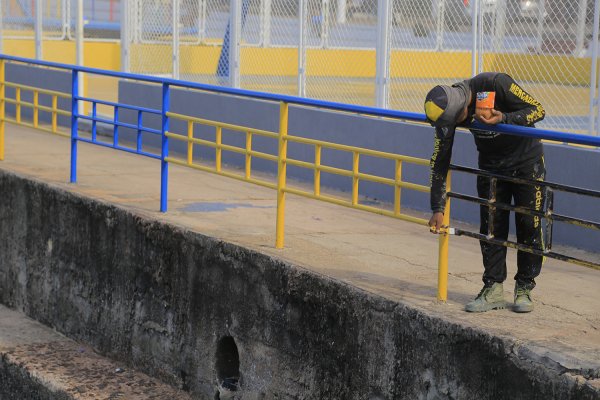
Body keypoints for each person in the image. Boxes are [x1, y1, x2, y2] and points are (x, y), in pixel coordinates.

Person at [423, 72, 546, 313]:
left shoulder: (496, 83)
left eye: (458, 120)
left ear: (463, 105)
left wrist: (505, 118)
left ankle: (524, 288)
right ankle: (493, 289)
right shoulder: (447, 115)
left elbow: (538, 109)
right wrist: (437, 207)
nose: (458, 124)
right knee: (491, 229)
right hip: (490, 167)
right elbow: (439, 160)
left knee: (529, 225)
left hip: (527, 164)